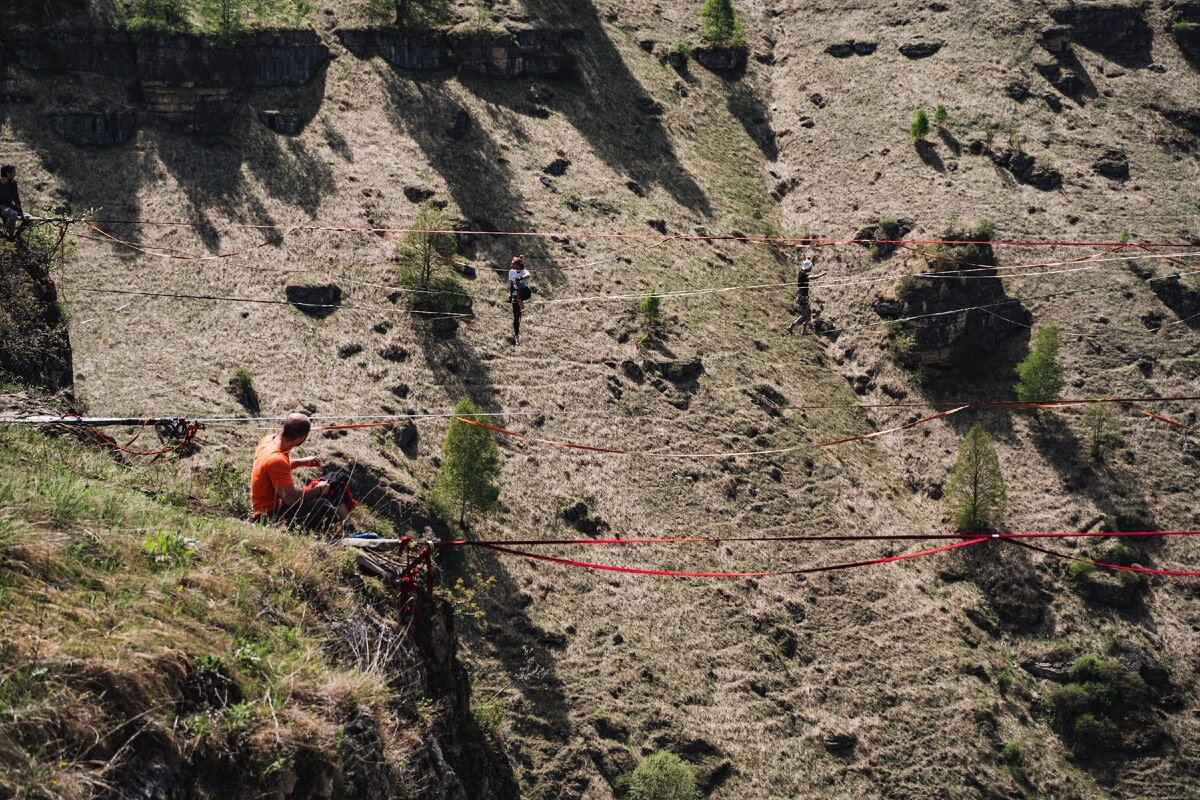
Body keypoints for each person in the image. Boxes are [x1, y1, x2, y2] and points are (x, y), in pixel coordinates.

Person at [250, 413, 351, 531]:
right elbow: (290, 498)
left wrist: (301, 462)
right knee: (322, 505)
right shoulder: (276, 459)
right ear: (300, 438)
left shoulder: (269, 440)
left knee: (334, 482)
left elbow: (273, 467)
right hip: (271, 517)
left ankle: (350, 528)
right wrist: (318, 490)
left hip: (281, 508)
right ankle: (339, 533)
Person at [0, 165, 31, 242]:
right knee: (13, 214)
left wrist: (21, 212)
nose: (15, 174)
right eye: (13, 173)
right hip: (1, 207)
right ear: (7, 174)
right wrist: (2, 207)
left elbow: (16, 198)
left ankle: (15, 236)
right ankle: (9, 235)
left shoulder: (13, 183)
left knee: (28, 218)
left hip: (10, 206)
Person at [507, 255, 531, 345]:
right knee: (516, 317)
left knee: (521, 290)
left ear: (517, 265)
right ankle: (517, 336)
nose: (511, 265)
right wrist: (511, 295)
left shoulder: (523, 271)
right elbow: (511, 284)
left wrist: (521, 277)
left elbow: (528, 275)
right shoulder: (511, 272)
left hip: (525, 292)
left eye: (513, 264)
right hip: (516, 293)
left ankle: (520, 301)